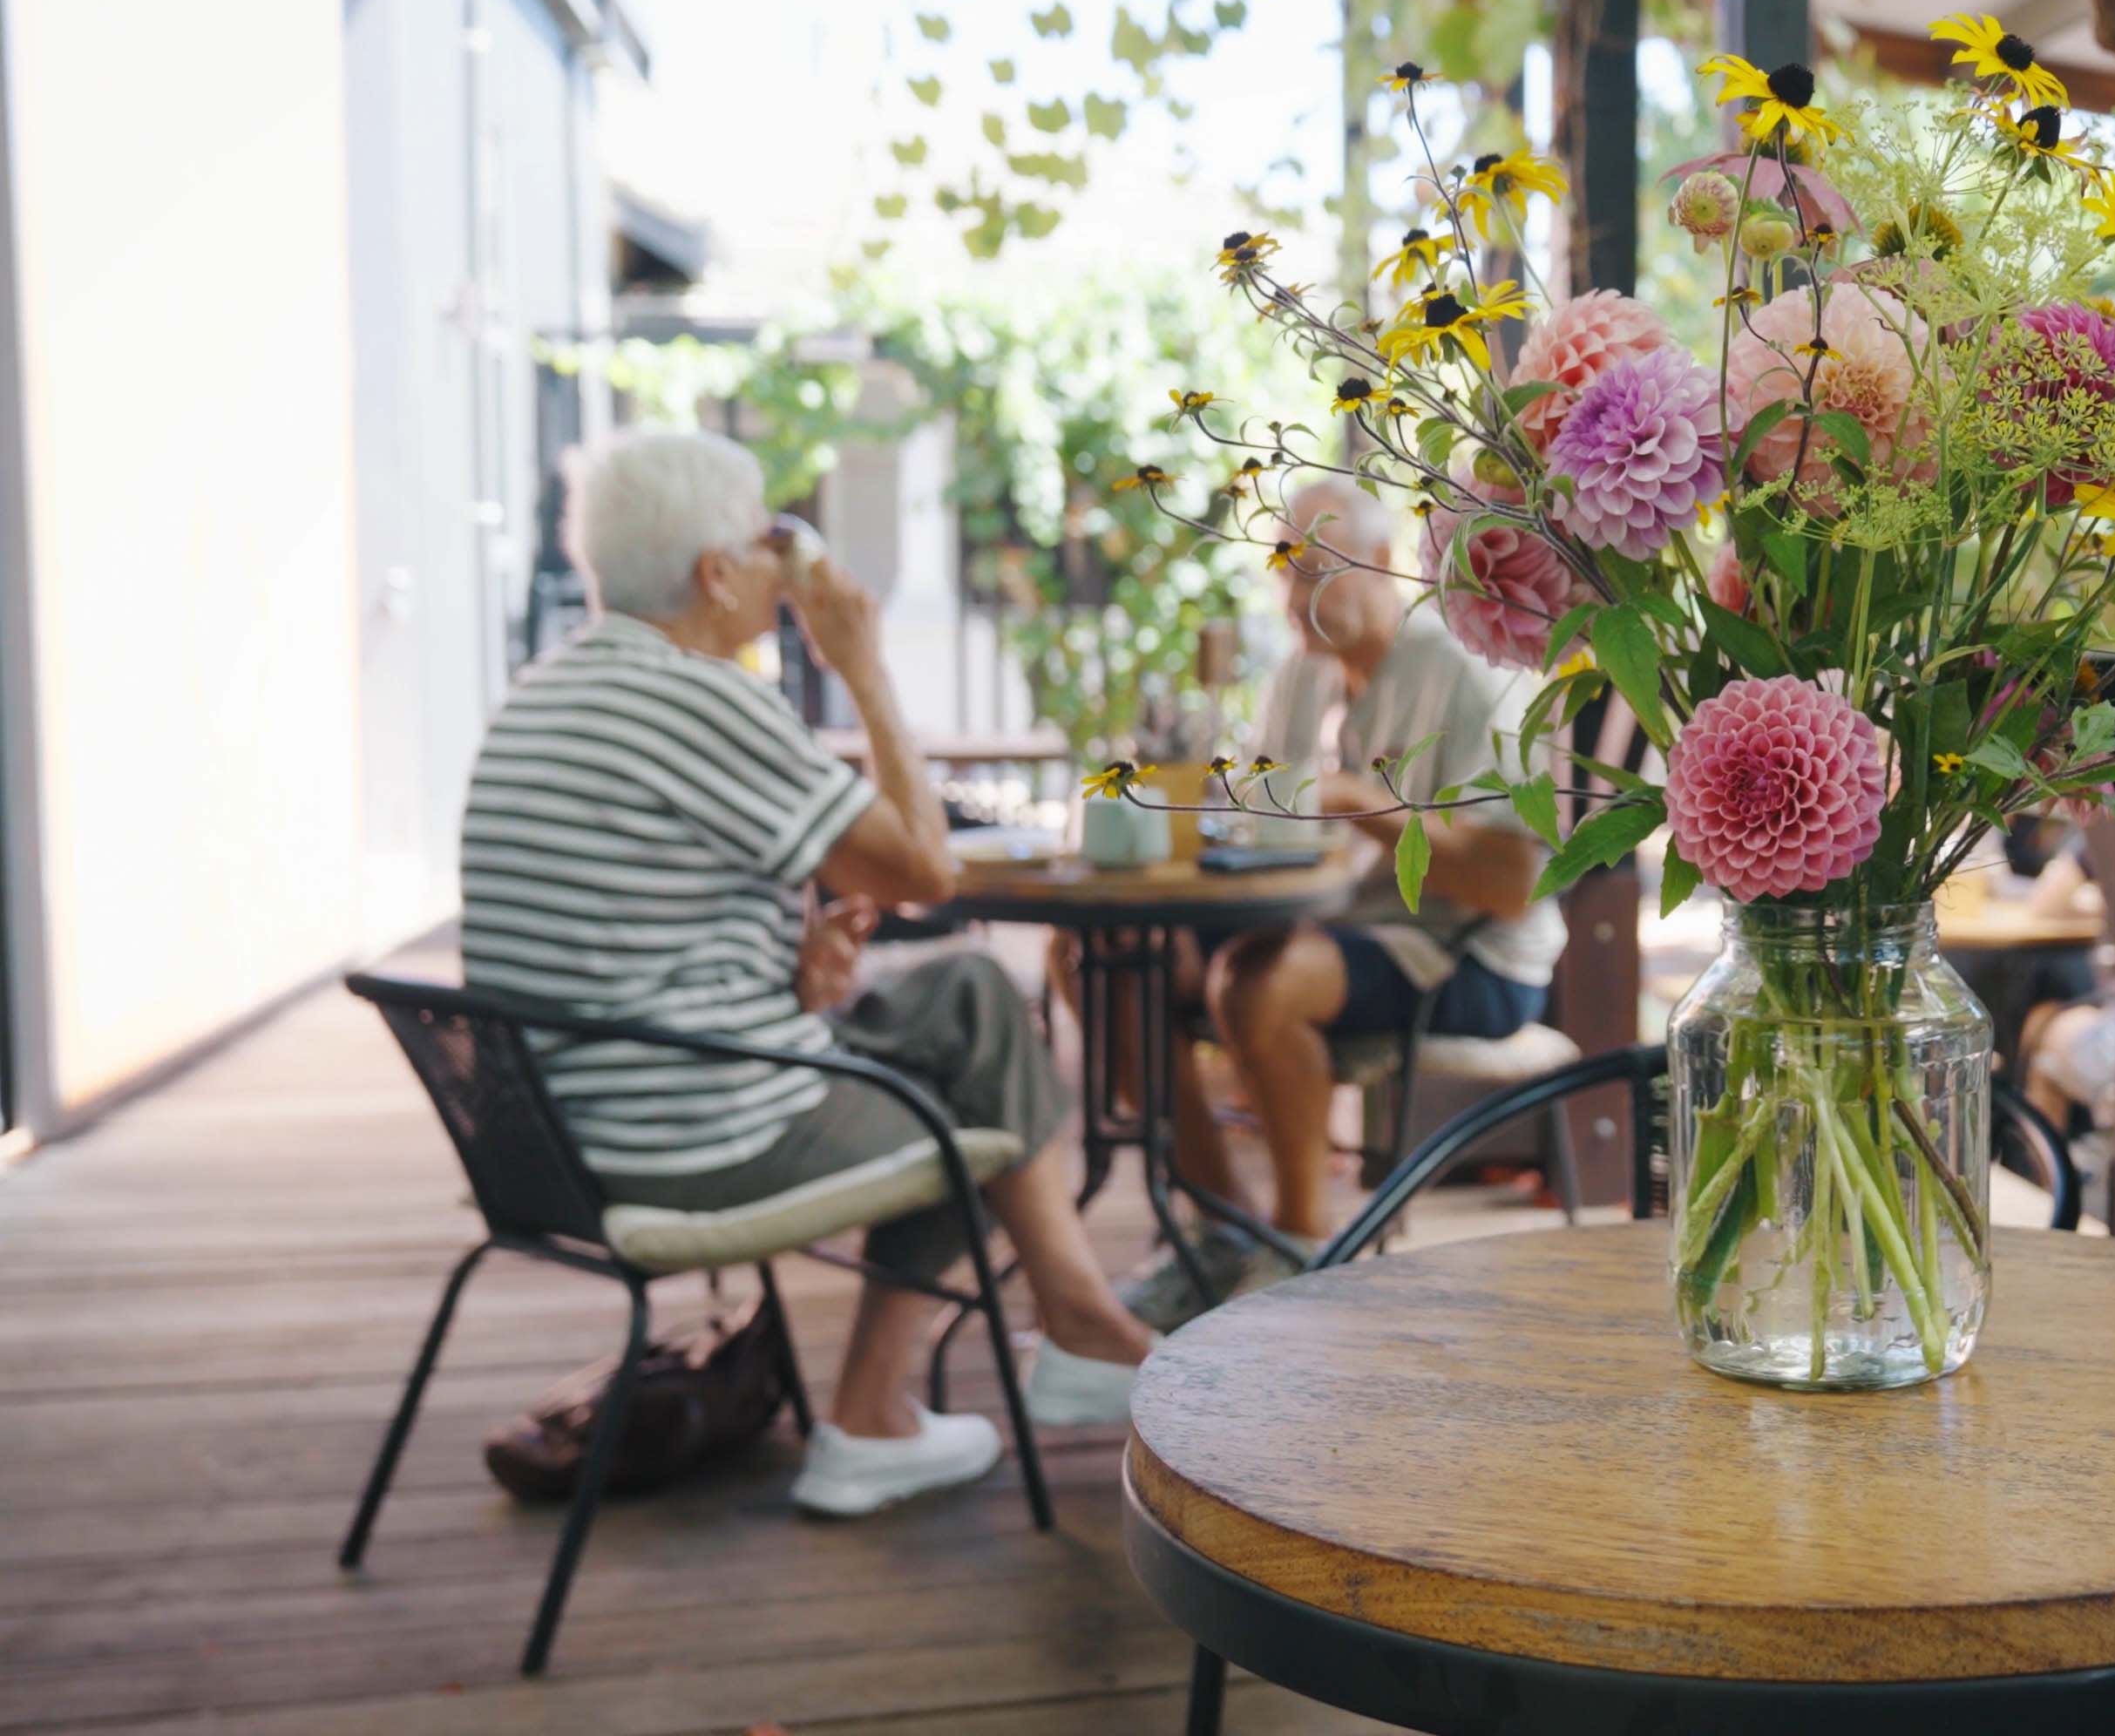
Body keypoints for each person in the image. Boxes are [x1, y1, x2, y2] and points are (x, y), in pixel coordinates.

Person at [460, 430, 1157, 1518]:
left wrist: (791, 972)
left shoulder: (545, 698)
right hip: (691, 1142)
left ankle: (1052, 1337)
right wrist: (864, 666)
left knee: (963, 1007)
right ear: (716, 575)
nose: (789, 568)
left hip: (558, 1139)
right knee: (971, 1056)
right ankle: (981, 1370)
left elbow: (618, 940)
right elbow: (926, 872)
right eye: (771, 541)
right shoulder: (696, 698)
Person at [1074, 478, 1564, 1327]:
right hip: (1324, 928)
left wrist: (1360, 807)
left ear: (1380, 563)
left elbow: (1515, 883)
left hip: (1472, 953)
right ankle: (1218, 1226)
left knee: (1256, 984)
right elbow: (1260, 816)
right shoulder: (1300, 676)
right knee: (1107, 956)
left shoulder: (1465, 673)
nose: (1294, 596)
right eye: (1285, 573)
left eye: (1314, 571)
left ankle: (1305, 1247)